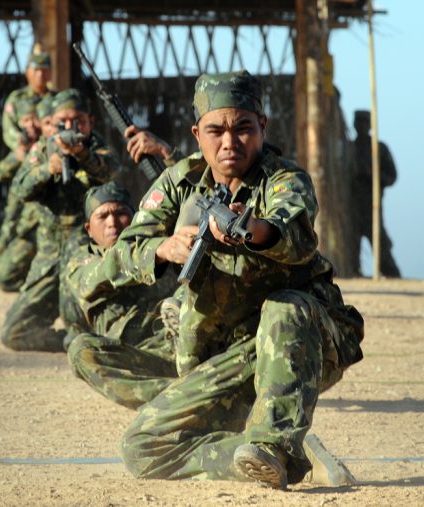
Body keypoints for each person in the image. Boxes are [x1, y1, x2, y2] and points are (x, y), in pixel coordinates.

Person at [99, 70, 364, 489]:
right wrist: (163, 248)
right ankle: (262, 449)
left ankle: (274, 444)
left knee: (286, 306)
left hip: (301, 344)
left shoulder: (285, 179)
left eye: (243, 129)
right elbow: (119, 256)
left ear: (263, 127)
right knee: (142, 447)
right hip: (225, 355)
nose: (229, 143)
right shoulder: (179, 182)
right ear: (197, 133)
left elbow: (293, 235)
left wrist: (250, 230)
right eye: (216, 131)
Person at [0, 88, 122, 352]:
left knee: (79, 320)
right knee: (13, 332)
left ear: (91, 122)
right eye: (62, 122)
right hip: (49, 254)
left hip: (83, 253)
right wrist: (48, 169)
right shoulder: (42, 151)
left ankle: (85, 339)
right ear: (49, 125)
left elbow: (112, 171)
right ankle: (65, 342)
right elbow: (20, 188)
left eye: (78, 121)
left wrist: (83, 156)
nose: (70, 127)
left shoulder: (96, 148)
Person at [65, 181, 180, 409]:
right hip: (140, 358)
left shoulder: (160, 243)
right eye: (103, 216)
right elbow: (104, 273)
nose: (113, 223)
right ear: (89, 229)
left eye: (120, 213)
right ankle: (175, 399)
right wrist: (153, 254)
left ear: (136, 218)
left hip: (184, 341)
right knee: (81, 351)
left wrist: (167, 155)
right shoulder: (80, 262)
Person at [0, 96, 55, 292]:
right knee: (3, 274)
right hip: (23, 223)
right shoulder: (23, 148)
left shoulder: (51, 146)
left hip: (45, 223)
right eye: (26, 120)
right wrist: (20, 154)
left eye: (35, 119)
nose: (31, 125)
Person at [352, 110, 401, 277]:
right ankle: (354, 273)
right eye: (358, 121)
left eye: (364, 122)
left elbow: (392, 176)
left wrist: (373, 175)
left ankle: (393, 276)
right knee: (351, 247)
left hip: (372, 206)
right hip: (351, 206)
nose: (360, 125)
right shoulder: (349, 148)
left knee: (381, 247)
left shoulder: (379, 149)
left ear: (370, 125)